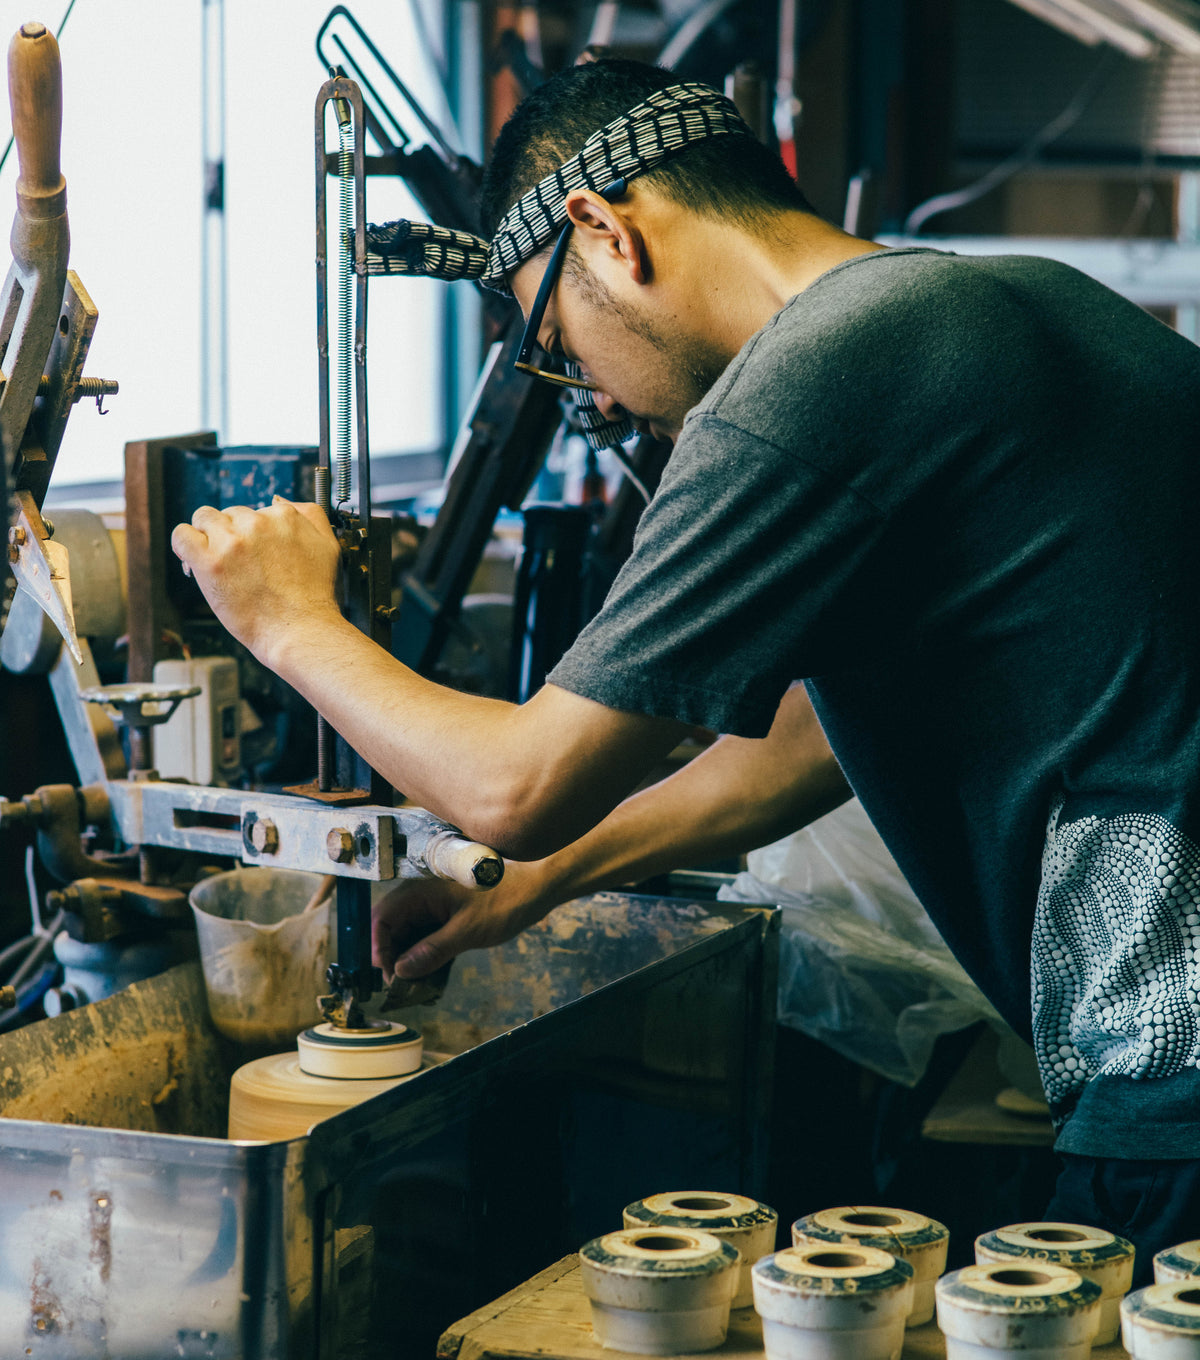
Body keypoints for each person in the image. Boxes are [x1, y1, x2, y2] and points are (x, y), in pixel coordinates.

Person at [172, 58, 1200, 1276]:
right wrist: (541, 881)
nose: (592, 395)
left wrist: (289, 622)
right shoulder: (1026, 306)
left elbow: (514, 786)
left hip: (1173, 1070)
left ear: (603, 231)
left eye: (556, 341)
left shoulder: (819, 372)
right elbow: (805, 746)